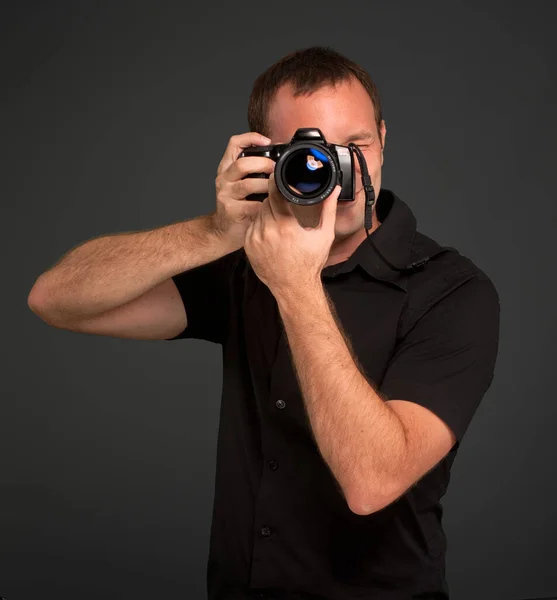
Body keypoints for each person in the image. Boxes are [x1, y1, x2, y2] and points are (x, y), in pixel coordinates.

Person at [27, 46, 500, 600]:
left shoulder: (452, 291)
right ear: (266, 154)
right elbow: (55, 300)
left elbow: (373, 482)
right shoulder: (244, 263)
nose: (335, 168)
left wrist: (296, 285)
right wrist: (213, 232)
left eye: (356, 146)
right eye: (309, 150)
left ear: (383, 140)